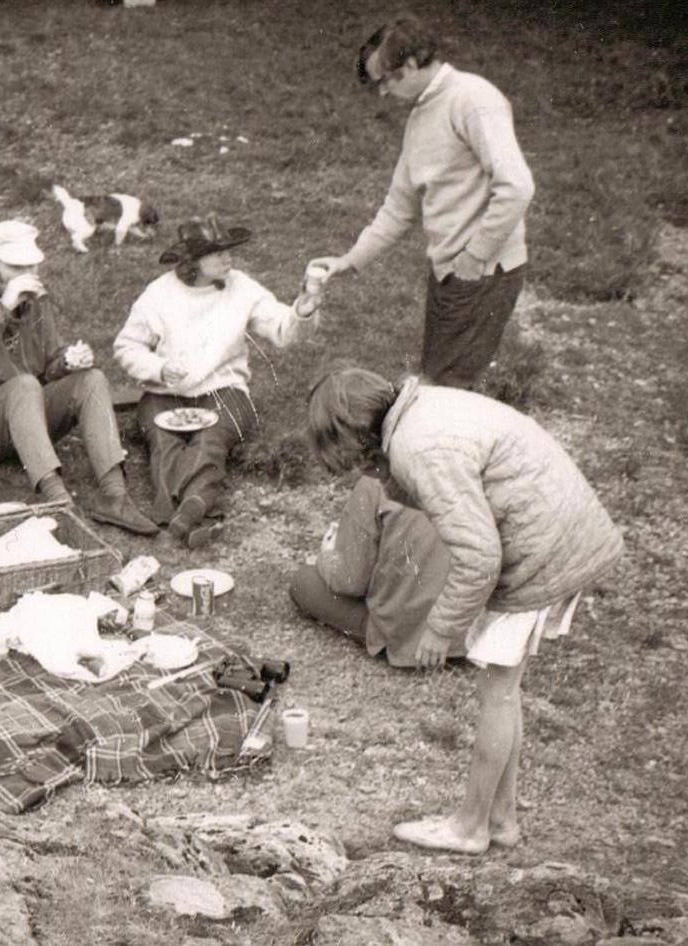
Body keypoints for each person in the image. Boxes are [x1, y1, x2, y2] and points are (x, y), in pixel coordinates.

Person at [305, 367, 622, 853]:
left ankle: (470, 828)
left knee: (497, 693)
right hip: (560, 526)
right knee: (506, 689)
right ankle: (501, 820)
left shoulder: (419, 448)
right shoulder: (420, 409)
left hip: (541, 548)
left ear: (351, 437)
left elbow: (479, 556)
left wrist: (440, 627)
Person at [310, 14, 535, 388]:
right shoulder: (421, 115)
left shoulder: (473, 99)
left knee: (447, 387)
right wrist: (349, 261)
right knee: (440, 378)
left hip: (482, 273)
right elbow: (399, 208)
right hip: (449, 271)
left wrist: (476, 255)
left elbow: (517, 186)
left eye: (385, 80)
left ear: (412, 63)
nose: (382, 93)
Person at [0, 220, 157, 535]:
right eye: (17, 266)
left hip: (23, 420)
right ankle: (58, 502)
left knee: (91, 379)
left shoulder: (34, 299)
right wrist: (3, 306)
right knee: (23, 385)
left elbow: (47, 368)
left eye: (32, 265)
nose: (29, 274)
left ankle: (115, 496)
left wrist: (67, 362)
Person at [113, 216, 321, 549]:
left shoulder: (242, 287)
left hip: (224, 390)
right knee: (164, 442)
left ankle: (179, 520)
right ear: (192, 259)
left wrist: (303, 310)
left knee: (211, 441)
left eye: (229, 250)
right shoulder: (159, 294)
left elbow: (283, 330)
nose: (228, 258)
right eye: (216, 252)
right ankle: (194, 515)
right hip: (166, 392)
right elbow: (126, 347)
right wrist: (159, 368)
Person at [288, 474, 464, 668]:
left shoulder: (377, 480)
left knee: (303, 581)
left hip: (410, 635)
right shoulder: (472, 463)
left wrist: (327, 554)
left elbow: (350, 581)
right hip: (466, 633)